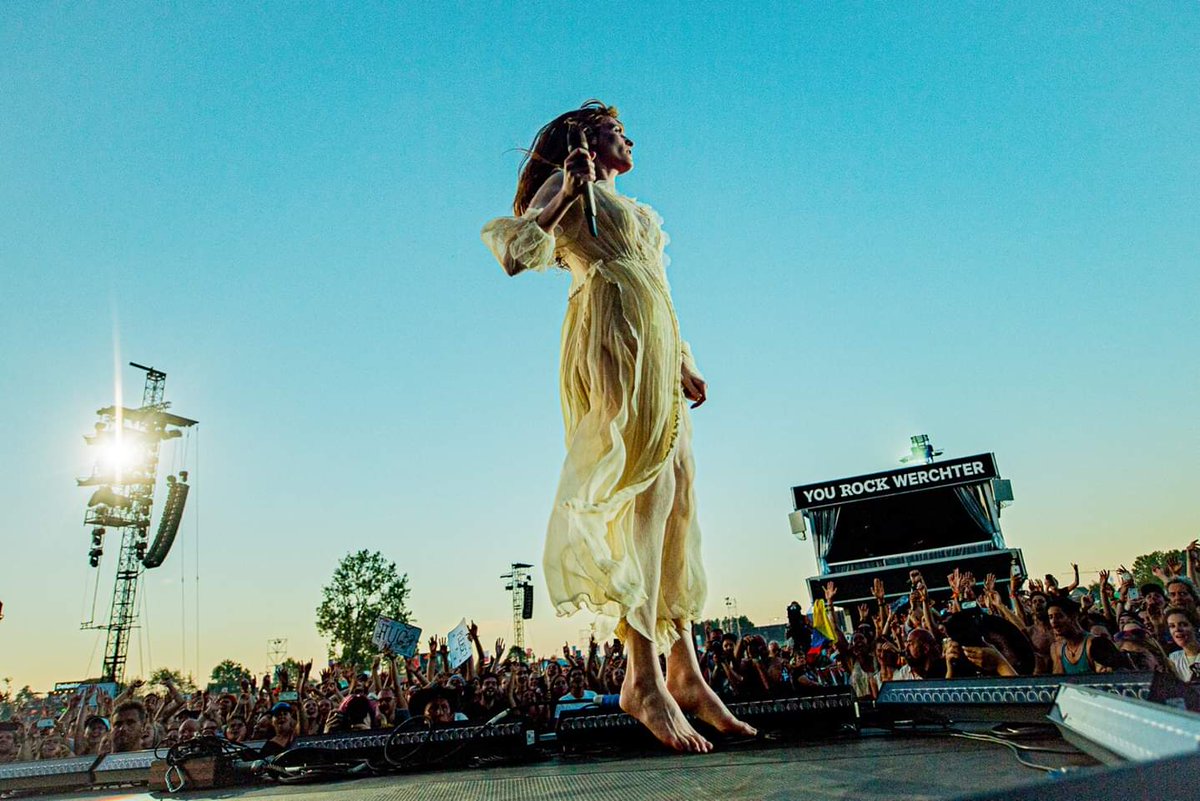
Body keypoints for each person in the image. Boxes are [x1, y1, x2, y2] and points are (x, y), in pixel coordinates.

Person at [482, 100, 753, 753]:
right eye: (618, 131)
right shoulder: (567, 185)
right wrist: (568, 191)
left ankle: (685, 671)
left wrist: (682, 358)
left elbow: (656, 284)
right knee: (644, 495)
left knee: (677, 501)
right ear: (585, 138)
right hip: (610, 336)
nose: (631, 140)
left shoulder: (635, 209)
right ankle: (642, 678)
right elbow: (514, 253)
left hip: (653, 340)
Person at [1165, 607, 1200, 683]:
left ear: (1194, 627)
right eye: (1172, 626)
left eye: (1183, 624)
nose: (1177, 629)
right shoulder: (1173, 658)